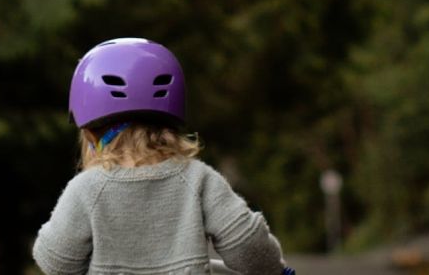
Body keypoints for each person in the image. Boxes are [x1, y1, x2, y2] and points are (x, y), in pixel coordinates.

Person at [33, 38, 294, 275]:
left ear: (89, 133)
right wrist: (276, 270)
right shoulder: (198, 178)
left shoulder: (87, 189)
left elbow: (55, 261)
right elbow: (248, 247)